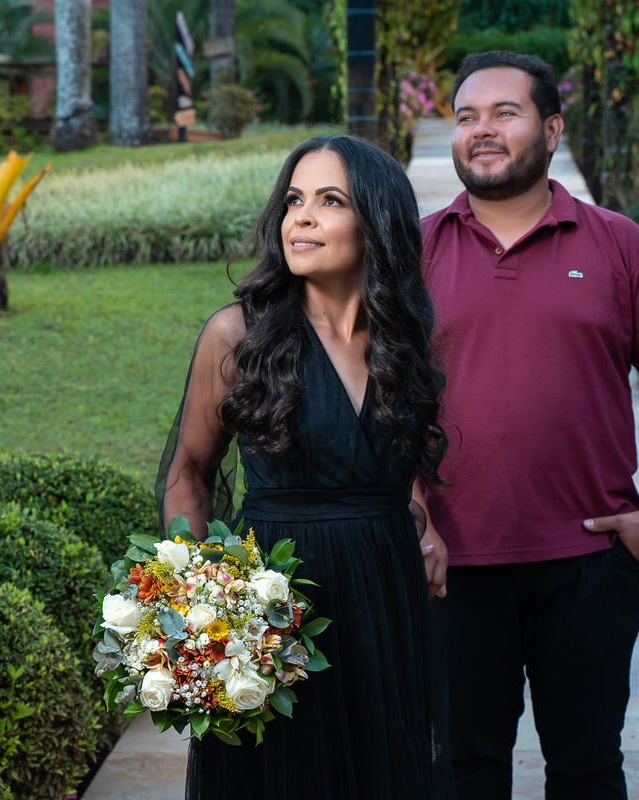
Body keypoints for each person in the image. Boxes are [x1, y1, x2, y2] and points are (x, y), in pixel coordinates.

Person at [420, 51, 639, 799]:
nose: (481, 131)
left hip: (589, 565)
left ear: (551, 131)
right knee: (459, 771)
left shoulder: (620, 245)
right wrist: (409, 513)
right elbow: (370, 394)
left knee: (585, 770)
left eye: (504, 114)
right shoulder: (410, 252)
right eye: (466, 116)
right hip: (449, 565)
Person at [157, 134, 454, 800]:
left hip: (384, 594)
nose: (302, 217)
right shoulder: (237, 335)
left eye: (329, 200)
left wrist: (423, 521)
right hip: (274, 603)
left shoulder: (405, 339)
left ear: (375, 223)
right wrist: (200, 597)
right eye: (293, 200)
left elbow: (394, 461)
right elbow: (189, 475)